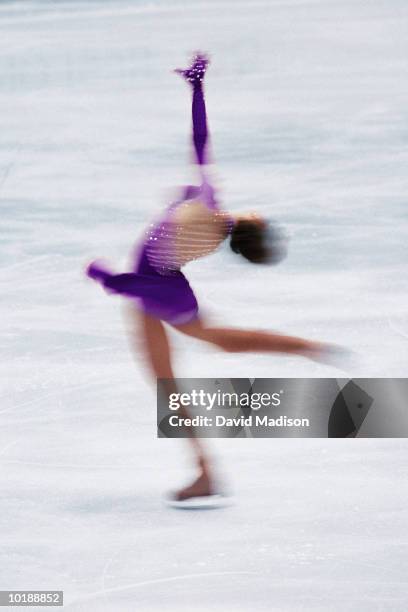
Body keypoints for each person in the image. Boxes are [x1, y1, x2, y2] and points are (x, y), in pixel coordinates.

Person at [87, 53, 339, 504]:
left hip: (159, 288)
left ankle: (301, 348)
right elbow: (200, 142)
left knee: (196, 358)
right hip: (160, 284)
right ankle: (206, 470)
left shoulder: (208, 205)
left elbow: (200, 141)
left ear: (253, 222)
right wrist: (197, 88)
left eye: (264, 220)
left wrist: (112, 280)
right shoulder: (212, 225)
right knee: (199, 356)